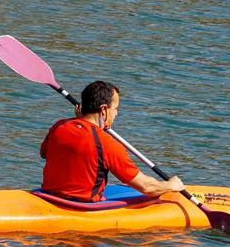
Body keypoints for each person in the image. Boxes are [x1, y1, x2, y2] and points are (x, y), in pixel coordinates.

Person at [40, 80, 185, 202]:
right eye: (115, 108)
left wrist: (80, 122)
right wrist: (170, 185)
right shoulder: (107, 144)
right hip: (81, 207)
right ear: (103, 110)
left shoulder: (59, 126)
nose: (116, 113)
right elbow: (147, 188)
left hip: (49, 198)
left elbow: (45, 153)